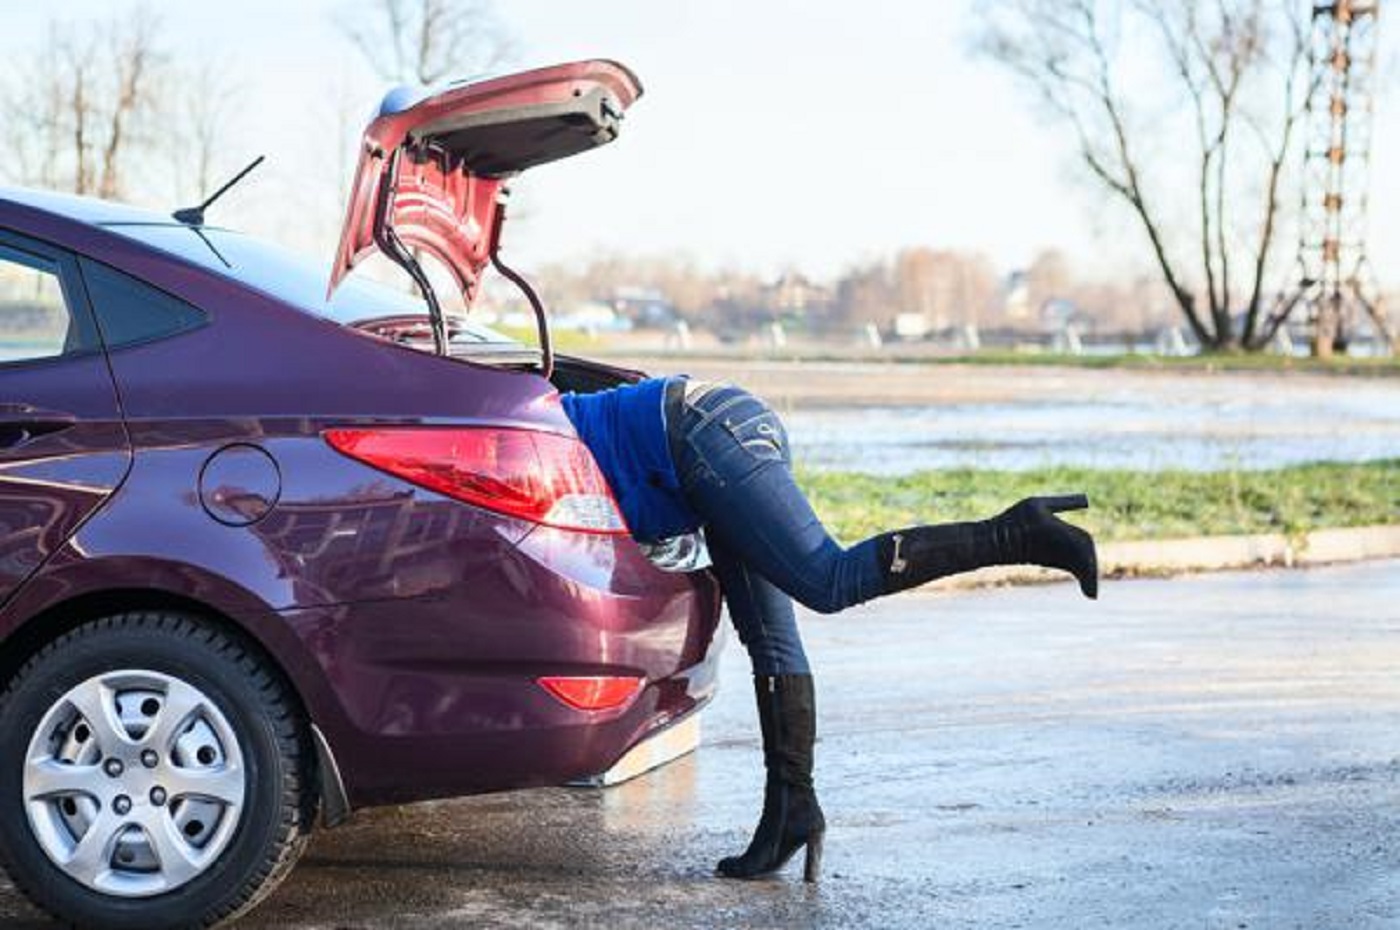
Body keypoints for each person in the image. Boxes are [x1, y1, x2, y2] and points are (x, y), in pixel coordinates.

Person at [561, 375, 1098, 883]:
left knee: (828, 580)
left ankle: (1018, 533)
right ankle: (792, 811)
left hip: (703, 434)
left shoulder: (526, 431)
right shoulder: (530, 421)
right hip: (705, 444)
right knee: (770, 641)